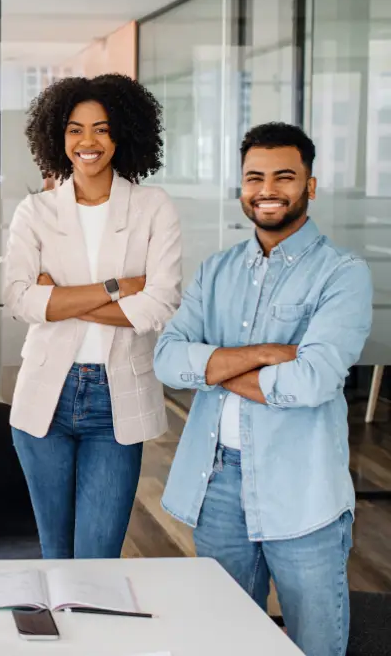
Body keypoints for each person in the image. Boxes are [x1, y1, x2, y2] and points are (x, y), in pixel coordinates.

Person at [155, 122, 372, 656]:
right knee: (226, 640)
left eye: (284, 176)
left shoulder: (343, 274)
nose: (267, 189)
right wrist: (265, 354)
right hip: (217, 482)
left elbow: (312, 379)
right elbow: (167, 360)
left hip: (302, 485)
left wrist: (213, 366)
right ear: (242, 187)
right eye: (255, 177)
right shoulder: (216, 270)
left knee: (315, 643)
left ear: (309, 186)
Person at [3, 74, 182, 559]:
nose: (89, 141)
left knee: (97, 560)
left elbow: (159, 304)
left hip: (116, 397)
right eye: (75, 129)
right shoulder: (35, 211)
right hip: (46, 394)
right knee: (54, 553)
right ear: (57, 137)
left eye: (102, 129)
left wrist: (61, 299)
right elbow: (21, 301)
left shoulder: (153, 207)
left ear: (123, 134)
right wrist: (116, 289)